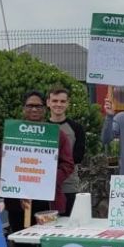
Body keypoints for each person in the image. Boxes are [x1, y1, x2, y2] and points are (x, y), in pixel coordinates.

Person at [5, 90, 74, 247]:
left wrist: (45, 179)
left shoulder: (56, 135)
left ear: (44, 109)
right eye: (30, 106)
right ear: (24, 109)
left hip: (48, 201)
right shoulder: (14, 132)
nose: (34, 110)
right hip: (20, 202)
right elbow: (6, 162)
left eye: (38, 106)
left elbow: (67, 164)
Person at [47, 86, 86, 216]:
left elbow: (78, 157)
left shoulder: (76, 128)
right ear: (48, 102)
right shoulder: (41, 127)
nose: (58, 104)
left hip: (68, 186)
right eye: (55, 101)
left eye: (62, 101)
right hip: (44, 186)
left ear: (68, 103)